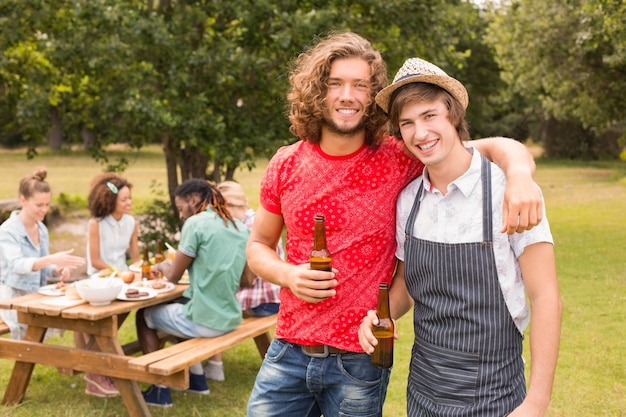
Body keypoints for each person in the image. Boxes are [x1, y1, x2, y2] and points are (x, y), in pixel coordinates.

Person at [245, 31, 544, 417]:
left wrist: (519, 172)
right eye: (335, 83)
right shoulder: (285, 163)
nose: (347, 95)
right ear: (317, 91)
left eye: (360, 85)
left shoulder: (400, 156)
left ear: (373, 97)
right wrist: (287, 274)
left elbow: (480, 148)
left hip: (360, 360)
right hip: (287, 350)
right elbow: (257, 247)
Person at [358, 57, 562, 416]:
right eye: (407, 123)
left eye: (429, 116)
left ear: (452, 114)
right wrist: (381, 313)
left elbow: (546, 298)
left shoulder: (511, 193)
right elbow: (406, 281)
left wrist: (537, 402)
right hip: (423, 392)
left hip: (495, 395)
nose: (420, 133)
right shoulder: (409, 201)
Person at [136, 178, 250, 408]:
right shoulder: (239, 227)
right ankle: (197, 380)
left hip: (207, 322)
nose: (180, 215)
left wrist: (161, 267)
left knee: (144, 314)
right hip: (230, 318)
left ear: (194, 200)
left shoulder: (196, 224)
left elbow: (172, 278)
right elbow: (248, 280)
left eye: (180, 208)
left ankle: (159, 389)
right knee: (178, 310)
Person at [200, 181, 283, 382]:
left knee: (211, 305)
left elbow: (240, 275)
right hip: (275, 300)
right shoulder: (259, 219)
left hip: (259, 302)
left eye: (220, 210)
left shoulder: (244, 228)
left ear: (227, 205)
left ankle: (214, 366)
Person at [0, 168, 85, 340]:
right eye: (39, 205)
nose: (44, 210)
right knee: (40, 329)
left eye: (47, 205)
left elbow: (43, 266)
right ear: (22, 200)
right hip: (12, 299)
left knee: (76, 315)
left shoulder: (41, 229)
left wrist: (57, 270)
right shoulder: (7, 231)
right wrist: (52, 259)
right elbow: (17, 265)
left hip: (36, 294)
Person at [77, 173, 141, 398]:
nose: (128, 203)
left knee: (122, 315)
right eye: (124, 199)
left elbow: (135, 257)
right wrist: (118, 272)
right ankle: (97, 371)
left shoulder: (131, 222)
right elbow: (95, 261)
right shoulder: (96, 224)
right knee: (100, 325)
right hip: (100, 279)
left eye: (129, 198)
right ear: (110, 200)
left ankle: (98, 367)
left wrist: (138, 271)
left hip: (122, 279)